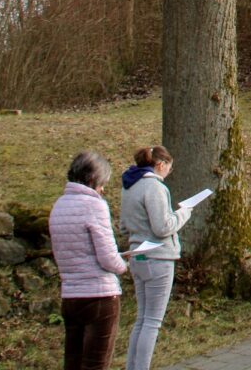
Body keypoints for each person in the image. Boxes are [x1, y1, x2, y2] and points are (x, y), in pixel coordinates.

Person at [49, 151, 128, 370]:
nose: (103, 190)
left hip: (71, 295)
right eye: (103, 184)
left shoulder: (59, 206)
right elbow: (108, 258)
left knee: (73, 362)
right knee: (96, 364)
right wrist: (124, 265)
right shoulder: (95, 205)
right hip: (100, 296)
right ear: (93, 179)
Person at [120, 146, 194, 369]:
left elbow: (124, 227)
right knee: (152, 322)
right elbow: (163, 226)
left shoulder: (129, 187)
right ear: (160, 165)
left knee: (142, 318)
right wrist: (184, 212)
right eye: (169, 168)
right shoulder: (154, 187)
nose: (169, 173)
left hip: (137, 256)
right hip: (158, 258)